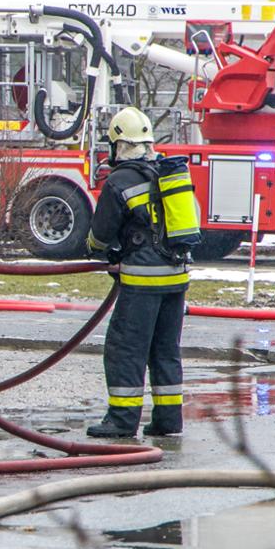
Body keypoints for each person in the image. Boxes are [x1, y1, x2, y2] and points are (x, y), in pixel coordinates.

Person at [84, 107, 203, 438]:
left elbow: (101, 235)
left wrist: (95, 251)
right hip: (177, 280)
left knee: (126, 350)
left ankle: (121, 421)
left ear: (117, 145)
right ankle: (168, 420)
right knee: (165, 350)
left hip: (142, 283)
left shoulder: (119, 181)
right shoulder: (167, 174)